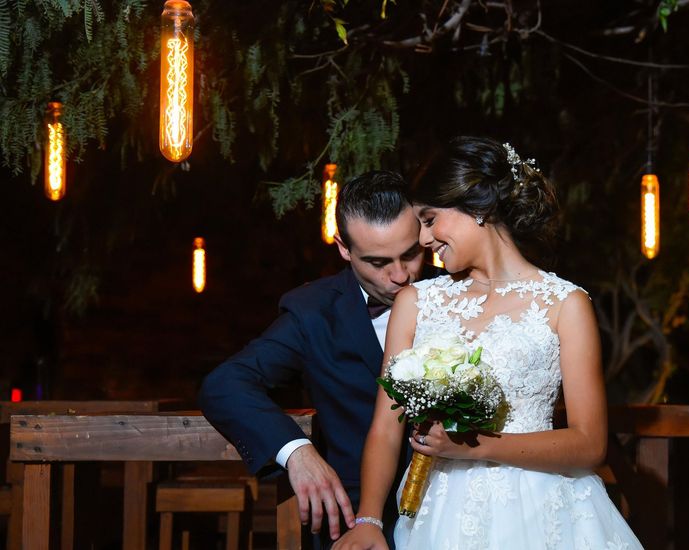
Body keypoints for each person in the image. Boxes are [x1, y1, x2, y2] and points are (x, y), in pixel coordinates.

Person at [336, 137, 644, 549]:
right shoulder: (417, 303)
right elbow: (385, 428)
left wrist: (477, 446)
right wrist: (369, 519)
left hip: (546, 509)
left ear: (478, 209)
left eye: (429, 220)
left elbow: (589, 443)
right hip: (441, 512)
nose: (424, 241)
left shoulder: (565, 305)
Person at [199, 171, 426, 547]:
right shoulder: (313, 312)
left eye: (411, 254)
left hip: (455, 507)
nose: (400, 275)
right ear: (343, 248)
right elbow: (225, 384)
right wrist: (296, 452)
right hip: (352, 517)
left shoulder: (461, 295)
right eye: (377, 261)